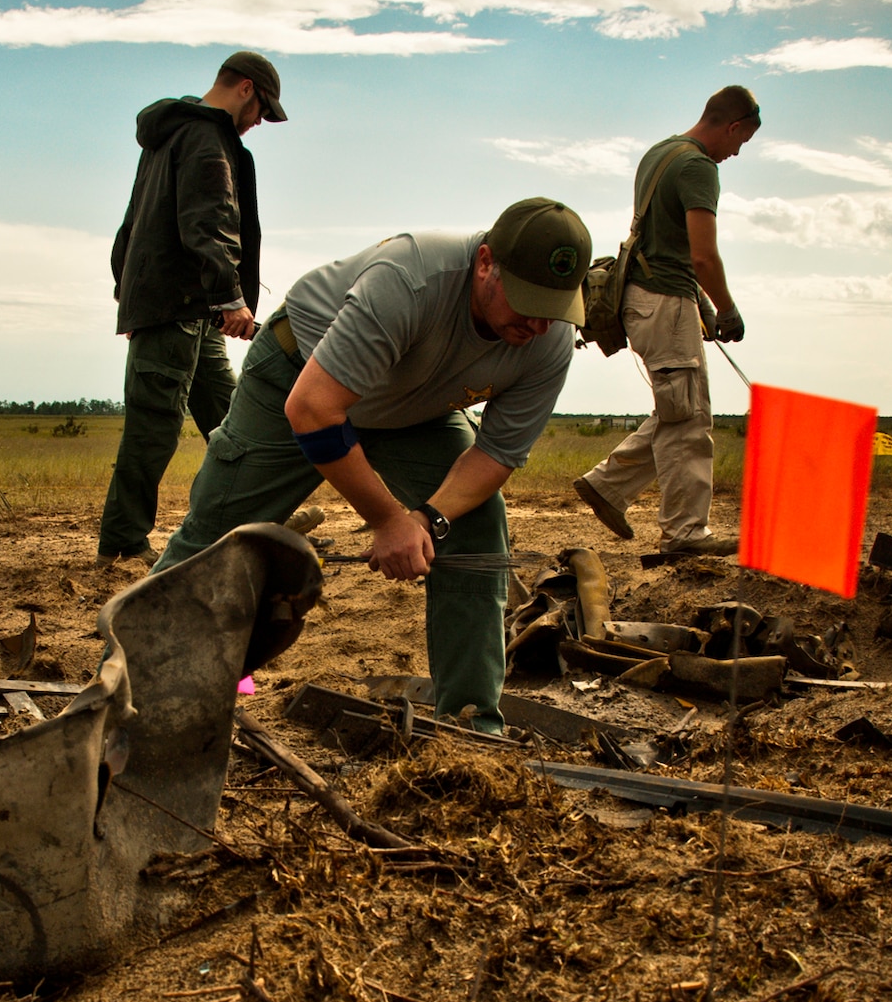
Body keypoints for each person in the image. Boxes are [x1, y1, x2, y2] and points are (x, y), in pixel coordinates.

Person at [153, 201, 592, 733]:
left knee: (475, 525)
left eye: (555, 308)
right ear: (484, 264)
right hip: (300, 375)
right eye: (527, 302)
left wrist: (426, 520)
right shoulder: (411, 278)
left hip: (414, 408)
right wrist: (387, 520)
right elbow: (313, 409)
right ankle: (134, 679)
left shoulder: (550, 340)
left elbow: (495, 455)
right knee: (217, 535)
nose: (539, 322)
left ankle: (472, 723)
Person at [96, 51, 287, 567]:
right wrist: (231, 298)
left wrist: (129, 294)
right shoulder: (204, 136)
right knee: (154, 428)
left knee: (234, 419)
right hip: (177, 307)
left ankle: (254, 526)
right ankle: (122, 541)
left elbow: (131, 223)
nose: (258, 124)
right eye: (262, 111)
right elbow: (211, 219)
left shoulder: (171, 134)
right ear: (245, 88)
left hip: (186, 311)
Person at [573, 85, 760, 556]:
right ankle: (685, 533)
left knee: (679, 411)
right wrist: (729, 307)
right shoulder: (698, 166)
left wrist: (706, 308)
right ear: (733, 125)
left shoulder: (661, 152)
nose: (735, 153)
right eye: (740, 142)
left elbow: (665, 244)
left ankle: (608, 485)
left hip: (647, 297)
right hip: (664, 304)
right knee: (689, 421)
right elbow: (702, 255)